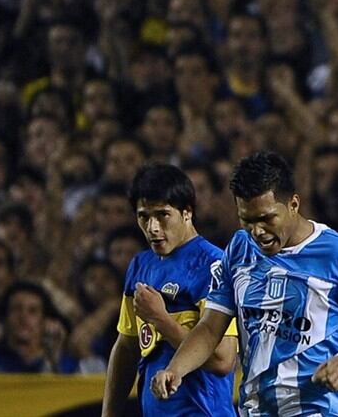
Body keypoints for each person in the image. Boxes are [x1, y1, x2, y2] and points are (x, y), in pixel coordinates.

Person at [150, 151, 338, 416]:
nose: (257, 231)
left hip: (316, 408)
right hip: (255, 408)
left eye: (266, 218)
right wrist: (176, 369)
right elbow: (210, 328)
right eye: (247, 220)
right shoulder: (239, 249)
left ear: (293, 204)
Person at [102, 163, 238, 417]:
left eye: (162, 214)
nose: (153, 227)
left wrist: (161, 319)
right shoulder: (141, 265)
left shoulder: (213, 266)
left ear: (187, 212)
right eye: (144, 216)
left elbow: (222, 360)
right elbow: (127, 346)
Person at [0, 281, 77, 373]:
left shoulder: (67, 364)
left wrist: (51, 357)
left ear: (45, 321)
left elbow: (51, 387)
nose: (23, 317)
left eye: (33, 311)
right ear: (5, 317)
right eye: (16, 309)